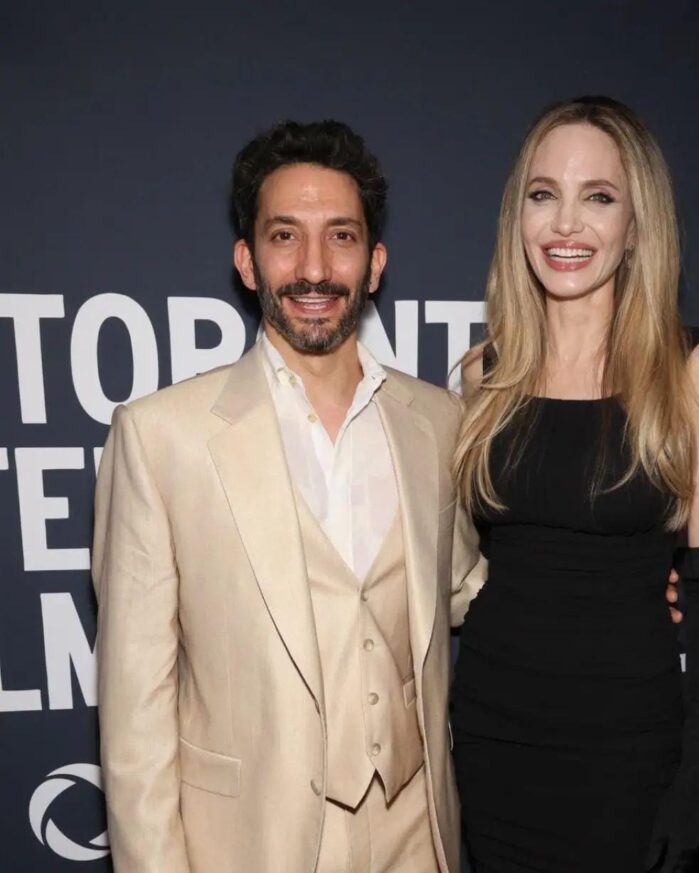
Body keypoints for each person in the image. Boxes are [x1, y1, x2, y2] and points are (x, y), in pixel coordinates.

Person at [91, 120, 484, 873]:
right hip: (252, 842)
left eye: (341, 237)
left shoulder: (438, 421)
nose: (314, 268)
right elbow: (136, 714)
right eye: (284, 237)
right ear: (247, 260)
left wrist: (613, 588)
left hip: (417, 829)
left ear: (374, 263)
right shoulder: (161, 436)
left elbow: (466, 583)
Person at [450, 96, 699, 873]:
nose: (566, 224)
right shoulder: (485, 375)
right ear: (518, 215)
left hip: (630, 748)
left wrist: (697, 779)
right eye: (543, 194)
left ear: (637, 224)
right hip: (493, 735)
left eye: (600, 197)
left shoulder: (696, 371)